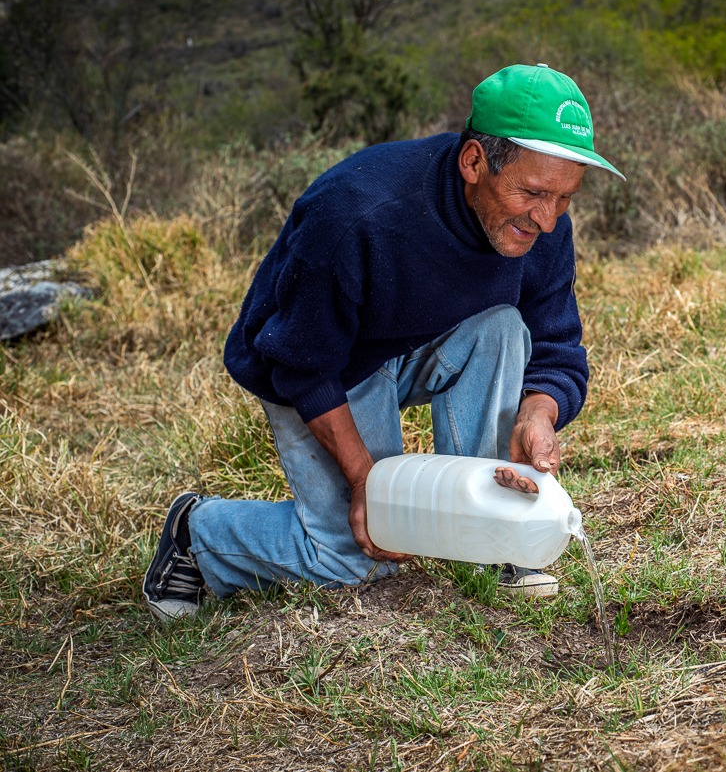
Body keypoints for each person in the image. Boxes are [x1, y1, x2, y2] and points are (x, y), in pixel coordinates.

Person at [142, 63, 624, 622]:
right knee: (361, 558)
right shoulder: (358, 213)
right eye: (533, 193)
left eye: (566, 198)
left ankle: (496, 534)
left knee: (502, 328)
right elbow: (303, 365)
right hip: (325, 367)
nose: (546, 219)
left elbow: (555, 345)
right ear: (474, 163)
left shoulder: (544, 225)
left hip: (416, 340)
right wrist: (365, 480)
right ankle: (199, 532)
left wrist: (536, 414)